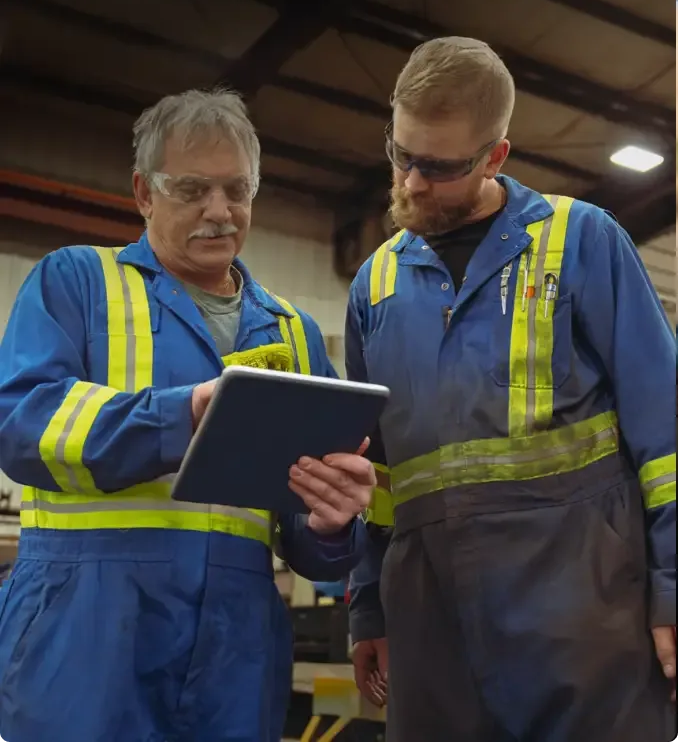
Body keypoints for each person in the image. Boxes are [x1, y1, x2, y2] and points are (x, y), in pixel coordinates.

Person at [0, 88, 376, 742]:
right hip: (84, 636)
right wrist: (182, 415)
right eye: (193, 189)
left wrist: (331, 523)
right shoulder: (77, 284)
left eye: (237, 190)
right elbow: (22, 423)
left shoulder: (295, 332)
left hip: (235, 653)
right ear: (144, 193)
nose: (220, 211)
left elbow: (306, 541)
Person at [345, 37, 676, 742]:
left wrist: (673, 587)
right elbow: (372, 473)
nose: (412, 183)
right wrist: (368, 606)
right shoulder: (374, 287)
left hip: (582, 621)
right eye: (401, 154)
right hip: (431, 630)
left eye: (440, 167)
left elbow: (666, 430)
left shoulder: (582, 242)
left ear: (495, 156)